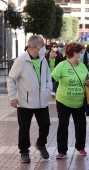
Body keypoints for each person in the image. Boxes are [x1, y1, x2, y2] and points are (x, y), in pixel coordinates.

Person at [7, 35, 52, 163]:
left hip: (42, 101)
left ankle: (41, 143)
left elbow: (48, 77)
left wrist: (47, 90)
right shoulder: (21, 60)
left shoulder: (43, 59)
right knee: (24, 128)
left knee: (45, 124)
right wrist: (12, 97)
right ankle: (24, 152)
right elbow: (11, 79)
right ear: (34, 46)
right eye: (42, 45)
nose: (44, 48)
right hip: (24, 102)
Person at [51, 42, 89, 159]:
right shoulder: (62, 65)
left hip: (79, 102)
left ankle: (80, 147)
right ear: (74, 53)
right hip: (63, 101)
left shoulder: (82, 66)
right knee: (63, 125)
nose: (81, 54)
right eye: (80, 52)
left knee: (81, 125)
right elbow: (52, 78)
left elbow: (88, 79)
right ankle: (62, 151)